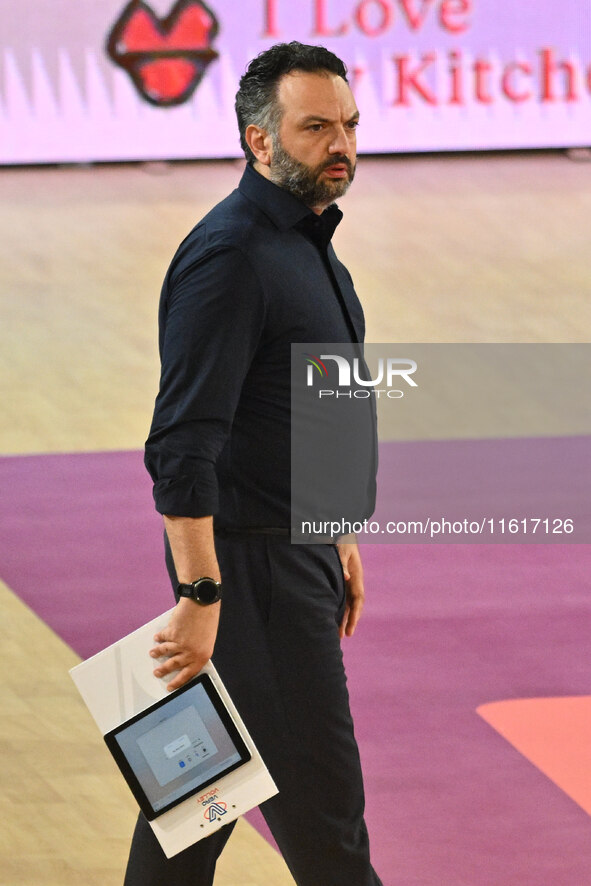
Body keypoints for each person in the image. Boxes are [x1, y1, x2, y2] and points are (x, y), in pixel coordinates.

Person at [124, 41, 383, 886]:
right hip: (250, 578)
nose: (339, 142)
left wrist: (336, 526)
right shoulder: (231, 258)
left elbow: (307, 399)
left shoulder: (308, 240)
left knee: (192, 814)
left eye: (346, 123)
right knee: (326, 828)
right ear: (258, 140)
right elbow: (181, 443)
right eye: (314, 127)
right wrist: (201, 597)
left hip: (290, 554)